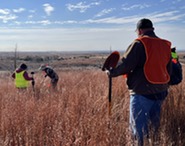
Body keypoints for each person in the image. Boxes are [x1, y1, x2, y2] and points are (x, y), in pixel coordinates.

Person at [107, 18, 172, 145]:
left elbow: (126, 64)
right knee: (154, 129)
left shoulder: (139, 43)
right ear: (152, 29)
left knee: (139, 133)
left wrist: (112, 72)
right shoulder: (166, 45)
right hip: (161, 92)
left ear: (140, 30)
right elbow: (168, 69)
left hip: (142, 92)